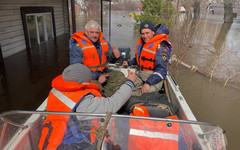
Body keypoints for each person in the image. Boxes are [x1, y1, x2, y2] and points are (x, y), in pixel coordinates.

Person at [38, 63, 136, 150]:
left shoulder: (55, 91)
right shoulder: (82, 103)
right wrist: (130, 83)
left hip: (52, 141)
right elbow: (112, 105)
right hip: (72, 145)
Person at [69, 20, 125, 97]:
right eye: (92, 32)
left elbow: (110, 60)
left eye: (97, 32)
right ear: (86, 32)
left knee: (120, 76)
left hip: (104, 72)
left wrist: (114, 56)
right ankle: (102, 96)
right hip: (89, 76)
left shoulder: (104, 42)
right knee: (96, 86)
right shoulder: (77, 47)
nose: (94, 35)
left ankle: (105, 96)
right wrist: (97, 76)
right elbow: (77, 70)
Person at [122, 21, 172, 96]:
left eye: (147, 33)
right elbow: (140, 59)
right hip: (140, 75)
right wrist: (129, 63)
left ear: (153, 32)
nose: (145, 36)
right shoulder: (144, 43)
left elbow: (162, 70)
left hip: (154, 79)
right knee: (126, 90)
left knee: (140, 95)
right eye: (143, 33)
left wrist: (148, 83)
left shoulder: (161, 47)